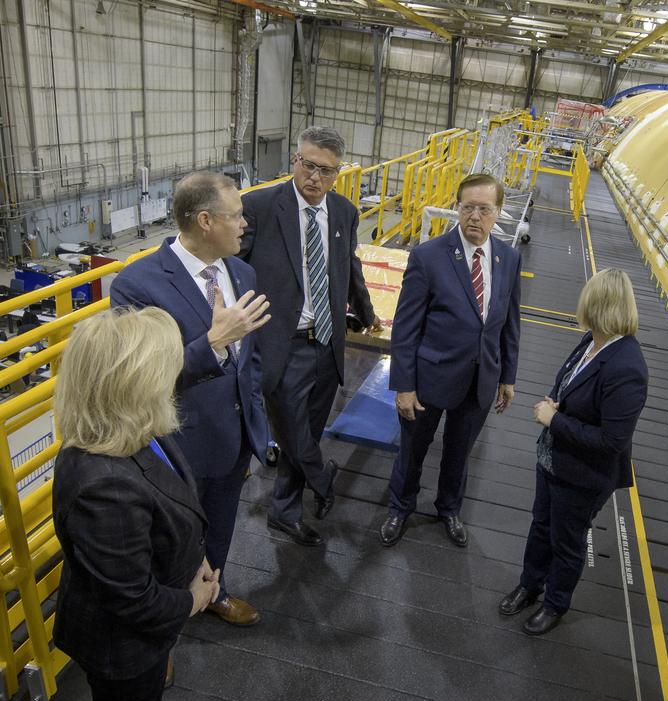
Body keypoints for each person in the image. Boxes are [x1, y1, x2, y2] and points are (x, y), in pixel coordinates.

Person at [52, 307, 223, 701]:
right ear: (130, 386)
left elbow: (173, 509)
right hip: (121, 644)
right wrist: (192, 599)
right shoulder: (102, 487)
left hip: (144, 629)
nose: (174, 377)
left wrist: (196, 560)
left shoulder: (136, 430)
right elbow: (133, 600)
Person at [111, 171, 271, 627]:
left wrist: (254, 419)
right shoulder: (137, 284)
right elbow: (139, 379)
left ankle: (214, 590)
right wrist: (213, 342)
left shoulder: (241, 271)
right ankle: (162, 627)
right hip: (176, 444)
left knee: (220, 525)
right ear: (205, 220)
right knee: (166, 542)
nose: (244, 224)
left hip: (232, 435)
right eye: (236, 216)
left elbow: (250, 357)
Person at [238, 126, 379, 546]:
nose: (315, 178)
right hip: (280, 343)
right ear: (295, 161)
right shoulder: (260, 207)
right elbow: (234, 267)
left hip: (328, 341)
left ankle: (284, 510)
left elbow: (348, 265)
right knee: (292, 433)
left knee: (310, 432)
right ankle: (324, 477)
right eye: (308, 166)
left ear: (339, 173)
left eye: (327, 171)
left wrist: (366, 311)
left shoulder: (343, 211)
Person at [499, 269, 648, 635]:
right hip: (553, 459)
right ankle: (530, 585)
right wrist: (557, 403)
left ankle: (555, 603)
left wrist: (554, 420)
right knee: (541, 526)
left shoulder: (628, 368)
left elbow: (611, 441)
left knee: (566, 541)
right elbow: (569, 380)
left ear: (597, 305)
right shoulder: (592, 341)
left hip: (583, 475)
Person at [381, 173, 522, 548]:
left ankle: (449, 508)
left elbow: (510, 323)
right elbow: (405, 329)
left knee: (460, 454)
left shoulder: (508, 258)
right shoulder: (428, 257)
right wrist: (404, 387)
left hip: (480, 380)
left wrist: (507, 376)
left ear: (498, 212)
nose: (474, 216)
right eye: (468, 207)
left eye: (484, 209)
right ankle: (400, 507)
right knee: (412, 451)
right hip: (429, 380)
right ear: (457, 208)